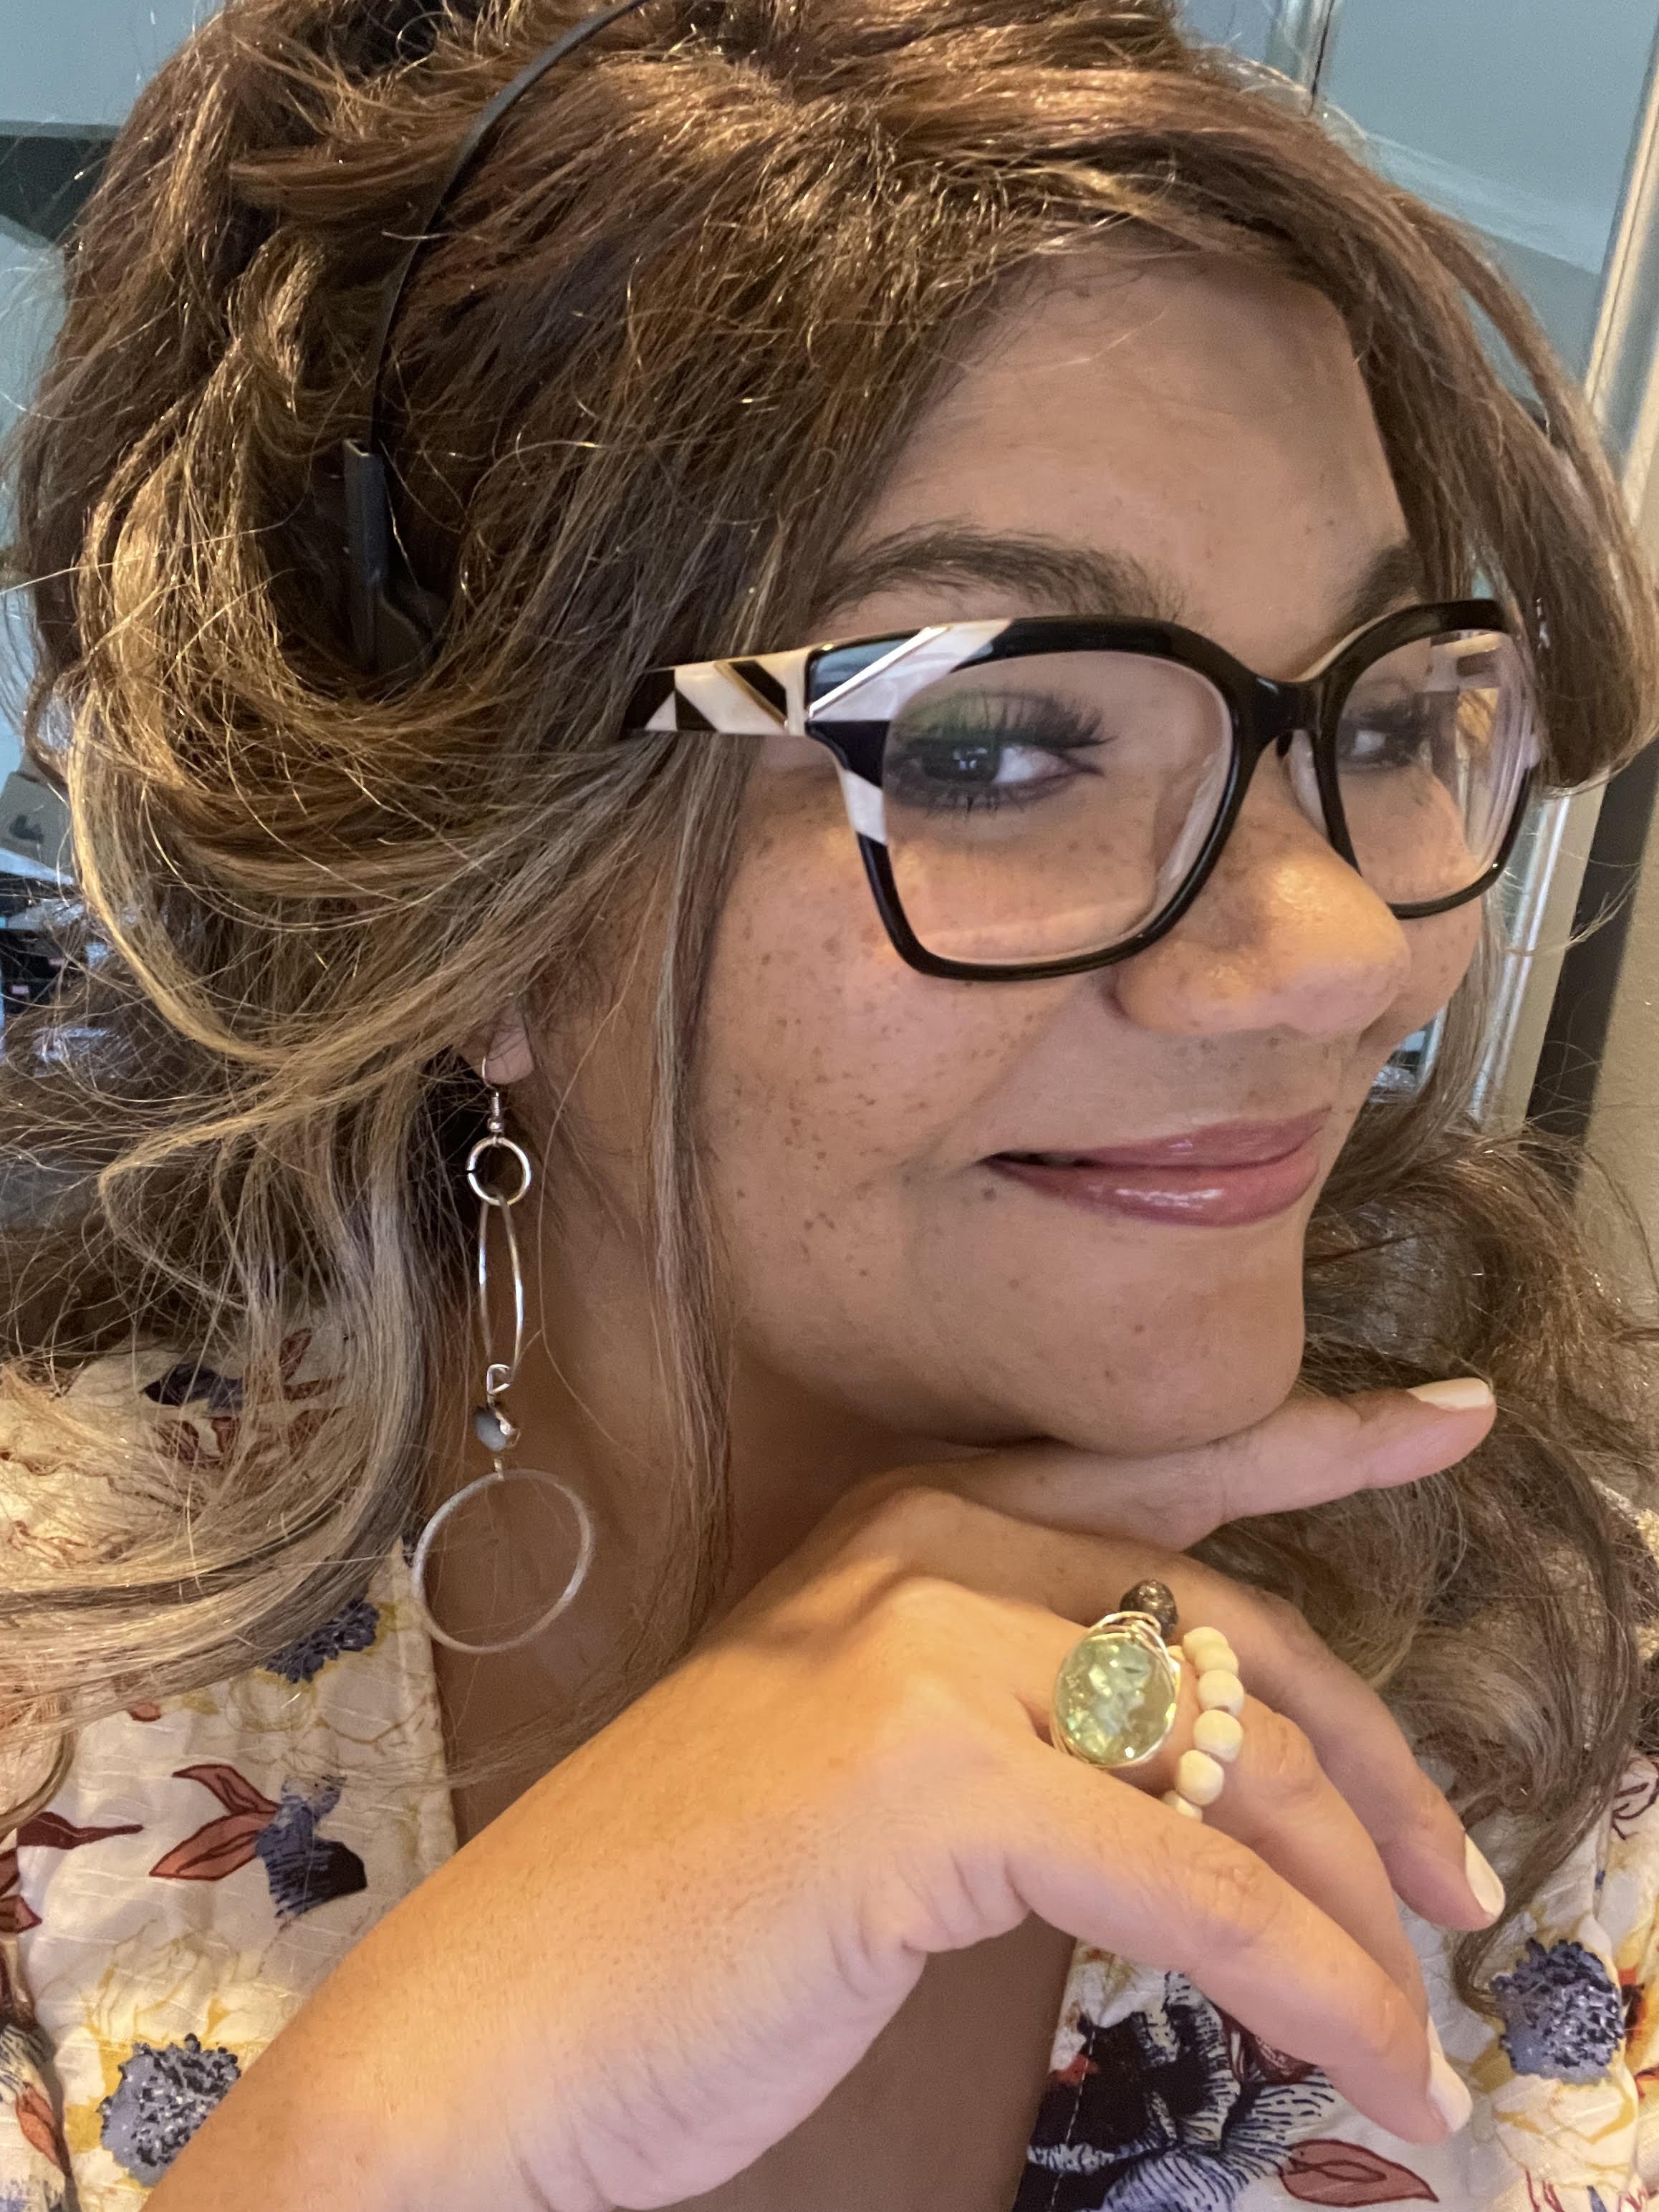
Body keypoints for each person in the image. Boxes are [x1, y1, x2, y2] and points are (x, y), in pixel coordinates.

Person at [2, 1, 1658, 2206]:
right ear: (453, 893)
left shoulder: (1568, 1721)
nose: (1343, 951)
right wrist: (380, 2144)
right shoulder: (50, 1727)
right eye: (991, 745)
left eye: (1378, 719)